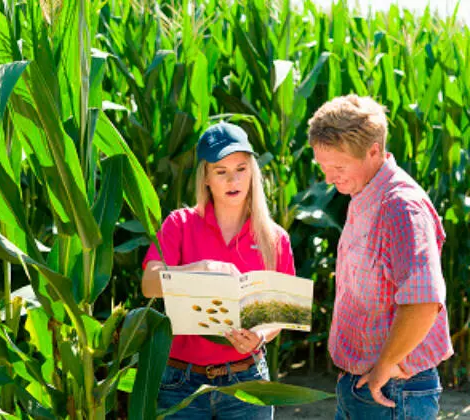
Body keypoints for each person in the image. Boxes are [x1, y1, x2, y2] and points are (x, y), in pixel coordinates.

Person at [307, 95, 454, 419]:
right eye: (323, 166)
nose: (329, 178)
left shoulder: (400, 208)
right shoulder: (364, 191)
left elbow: (423, 301)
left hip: (392, 389)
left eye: (338, 167)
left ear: (373, 151)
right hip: (367, 385)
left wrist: (384, 366)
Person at [142, 121, 295, 418]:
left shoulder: (274, 238)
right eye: (221, 172)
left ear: (252, 172)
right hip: (180, 380)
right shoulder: (179, 224)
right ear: (206, 179)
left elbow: (282, 314)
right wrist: (199, 268)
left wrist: (259, 336)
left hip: (246, 379)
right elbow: (149, 284)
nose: (232, 180)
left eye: (240, 168)